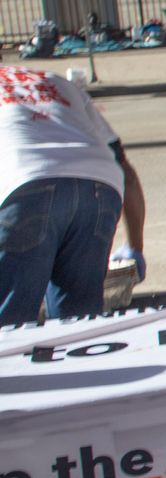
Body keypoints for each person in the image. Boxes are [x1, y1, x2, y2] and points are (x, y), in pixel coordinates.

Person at [0, 67, 147, 325]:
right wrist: (135, 248)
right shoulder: (55, 81)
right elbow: (128, 175)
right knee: (79, 326)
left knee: (10, 330)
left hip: (25, 188)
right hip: (100, 188)